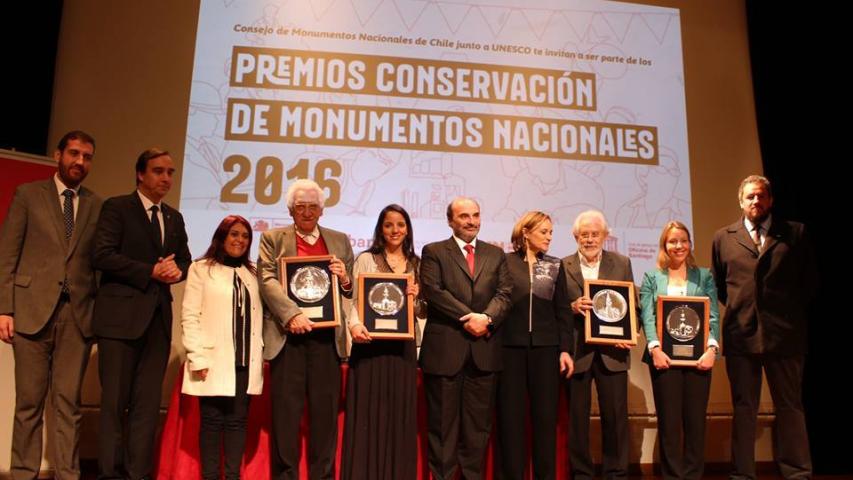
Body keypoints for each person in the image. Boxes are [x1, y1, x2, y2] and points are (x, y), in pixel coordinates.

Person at [0, 131, 102, 480]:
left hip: (76, 316)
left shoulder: (95, 204)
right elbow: (7, 254)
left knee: (67, 405)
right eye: (74, 153)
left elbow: (97, 264)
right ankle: (23, 473)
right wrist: (5, 308)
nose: (80, 162)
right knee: (29, 404)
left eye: (87, 156)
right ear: (58, 155)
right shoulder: (29, 195)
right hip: (31, 312)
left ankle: (68, 474)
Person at [93, 147, 191, 480]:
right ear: (140, 174)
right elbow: (102, 255)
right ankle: (109, 472)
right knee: (113, 405)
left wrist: (178, 271)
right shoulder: (117, 208)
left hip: (158, 322)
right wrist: (149, 271)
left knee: (147, 408)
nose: (166, 178)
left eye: (171, 172)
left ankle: (138, 473)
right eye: (159, 171)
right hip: (119, 322)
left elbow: (185, 261)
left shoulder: (174, 217)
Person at [711, 175, 818, 480]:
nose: (755, 202)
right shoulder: (723, 237)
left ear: (770, 200)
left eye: (761, 196)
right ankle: (743, 473)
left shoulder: (795, 233)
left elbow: (809, 282)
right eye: (750, 197)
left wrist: (784, 313)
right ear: (740, 202)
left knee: (790, 406)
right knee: (744, 407)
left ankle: (797, 471)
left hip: (785, 335)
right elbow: (722, 286)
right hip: (740, 335)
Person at [257, 179, 354, 480]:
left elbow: (349, 291)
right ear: (291, 210)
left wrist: (345, 279)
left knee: (325, 418)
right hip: (288, 338)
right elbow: (267, 280)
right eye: (301, 206)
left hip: (326, 340)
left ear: (322, 211)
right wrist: (292, 315)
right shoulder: (272, 238)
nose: (307, 212)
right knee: (286, 417)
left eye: (313, 206)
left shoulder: (339, 240)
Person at [419, 196, 513, 480]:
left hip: (484, 352)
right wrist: (470, 317)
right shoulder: (434, 251)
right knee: (443, 429)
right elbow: (433, 292)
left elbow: (505, 294)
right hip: (446, 353)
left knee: (477, 430)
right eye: (464, 216)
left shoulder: (495, 254)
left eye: (475, 215)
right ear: (450, 221)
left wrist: (486, 319)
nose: (471, 221)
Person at [341, 204, 423, 480]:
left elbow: (424, 310)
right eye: (389, 225)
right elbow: (352, 300)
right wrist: (354, 325)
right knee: (367, 416)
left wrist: (416, 297)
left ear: (408, 228)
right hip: (369, 346)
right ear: (380, 228)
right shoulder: (366, 259)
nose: (395, 230)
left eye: (400, 224)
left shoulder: (417, 264)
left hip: (402, 349)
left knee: (398, 418)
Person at [180, 215, 264, 480]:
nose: (240, 240)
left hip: (244, 361)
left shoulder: (253, 272)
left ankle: (232, 476)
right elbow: (190, 316)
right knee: (212, 422)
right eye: (234, 234)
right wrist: (197, 357)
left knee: (238, 423)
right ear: (222, 236)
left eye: (245, 236)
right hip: (213, 360)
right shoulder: (201, 268)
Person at [640, 221, 720, 480]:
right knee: (670, 424)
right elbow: (648, 316)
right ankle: (672, 476)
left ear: (690, 243)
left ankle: (694, 475)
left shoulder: (704, 276)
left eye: (683, 240)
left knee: (696, 423)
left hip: (699, 359)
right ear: (665, 245)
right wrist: (654, 349)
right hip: (663, 359)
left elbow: (713, 317)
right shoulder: (652, 277)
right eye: (673, 241)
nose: (679, 246)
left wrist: (711, 349)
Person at [497, 211, 574, 480]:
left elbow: (563, 311)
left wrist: (565, 350)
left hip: (546, 351)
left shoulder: (555, 265)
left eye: (551, 232)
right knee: (511, 422)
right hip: (510, 350)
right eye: (544, 232)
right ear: (525, 233)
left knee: (544, 422)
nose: (549, 237)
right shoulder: (504, 263)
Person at [562, 209, 635, 480]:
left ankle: (615, 472)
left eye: (595, 234)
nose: (590, 239)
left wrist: (629, 334)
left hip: (612, 353)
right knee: (576, 420)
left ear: (605, 236)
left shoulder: (622, 262)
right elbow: (557, 309)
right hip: (577, 351)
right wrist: (571, 306)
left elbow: (632, 306)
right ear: (575, 236)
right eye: (584, 235)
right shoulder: (563, 265)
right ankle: (581, 473)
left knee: (615, 418)